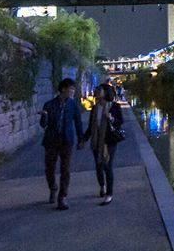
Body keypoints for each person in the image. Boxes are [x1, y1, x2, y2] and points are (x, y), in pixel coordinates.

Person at [40, 77, 84, 210]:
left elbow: (78, 122)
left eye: (73, 89)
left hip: (66, 140)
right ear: (63, 89)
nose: (72, 91)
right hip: (51, 140)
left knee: (65, 169)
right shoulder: (49, 104)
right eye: (70, 89)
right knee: (49, 169)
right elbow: (43, 125)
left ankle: (62, 196)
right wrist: (44, 116)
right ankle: (53, 187)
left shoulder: (73, 104)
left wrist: (81, 139)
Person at [87, 80, 124, 205]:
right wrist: (83, 139)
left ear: (106, 92)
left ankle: (109, 194)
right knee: (98, 166)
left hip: (109, 141)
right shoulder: (95, 108)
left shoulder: (114, 106)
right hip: (96, 141)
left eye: (100, 90)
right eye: (97, 90)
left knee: (107, 166)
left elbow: (120, 122)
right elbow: (90, 127)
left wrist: (111, 118)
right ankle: (102, 186)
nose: (97, 91)